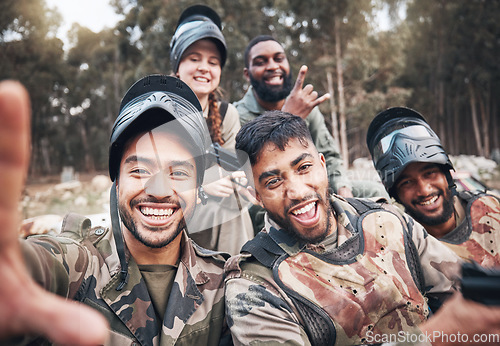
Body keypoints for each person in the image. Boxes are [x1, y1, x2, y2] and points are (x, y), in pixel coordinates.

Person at [224, 111, 500, 346]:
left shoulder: (388, 221)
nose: (296, 191)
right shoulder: (254, 287)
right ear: (256, 196)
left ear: (323, 164)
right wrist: (435, 336)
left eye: (304, 167)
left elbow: (462, 291)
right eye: (273, 182)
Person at [0, 75, 232, 345]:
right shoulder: (78, 263)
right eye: (140, 170)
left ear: (198, 188)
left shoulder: (225, 285)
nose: (159, 190)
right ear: (117, 182)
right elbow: (32, 267)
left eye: (178, 172)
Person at [235, 35, 389, 233]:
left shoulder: (306, 107)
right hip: (269, 202)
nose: (272, 66)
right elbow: (244, 183)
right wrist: (287, 117)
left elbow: (330, 156)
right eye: (261, 62)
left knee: (373, 191)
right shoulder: (236, 116)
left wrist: (343, 188)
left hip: (316, 188)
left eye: (278, 58)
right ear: (247, 74)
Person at [367, 107, 500, 267]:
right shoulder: (398, 251)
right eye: (407, 182)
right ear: (396, 194)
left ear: (447, 175)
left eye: (429, 173)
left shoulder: (492, 212)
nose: (424, 190)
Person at [170, 4, 253, 255]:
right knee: (229, 206)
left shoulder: (227, 115)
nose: (204, 67)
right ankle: (237, 277)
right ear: (177, 67)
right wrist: (201, 187)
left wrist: (238, 180)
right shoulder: (158, 115)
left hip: (215, 212)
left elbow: (231, 169)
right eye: (194, 59)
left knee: (240, 199)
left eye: (213, 62)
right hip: (169, 211)